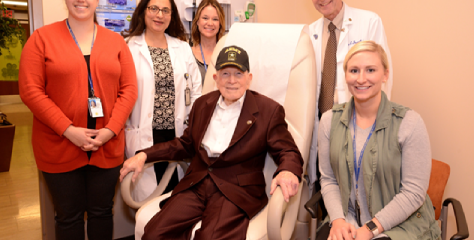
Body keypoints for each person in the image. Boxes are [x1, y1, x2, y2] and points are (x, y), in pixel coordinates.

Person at [120, 45, 304, 240]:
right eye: (225, 73)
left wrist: (288, 170)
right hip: (197, 183)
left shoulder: (268, 110)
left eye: (238, 74)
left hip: (236, 190)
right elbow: (185, 144)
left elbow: (288, 151)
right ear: (216, 78)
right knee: (154, 234)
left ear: (249, 79)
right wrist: (145, 154)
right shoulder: (202, 105)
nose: (232, 81)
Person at [18, 0, 138, 239]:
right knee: (68, 217)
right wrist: (68, 130)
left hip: (107, 146)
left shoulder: (116, 42)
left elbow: (129, 89)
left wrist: (110, 130)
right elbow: (31, 90)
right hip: (58, 145)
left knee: (102, 212)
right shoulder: (41, 38)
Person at [316, 41, 440, 240]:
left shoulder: (409, 123)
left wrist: (369, 229)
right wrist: (338, 220)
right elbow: (329, 179)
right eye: (354, 70)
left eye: (371, 70)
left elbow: (413, 193)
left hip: (399, 225)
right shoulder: (329, 121)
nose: (361, 79)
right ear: (345, 76)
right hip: (346, 221)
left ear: (385, 75)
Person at [308, 0, 393, 215]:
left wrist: (379, 124)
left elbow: (383, 73)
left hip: (362, 123)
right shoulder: (310, 32)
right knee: (329, 191)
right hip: (324, 125)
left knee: (364, 196)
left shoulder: (369, 21)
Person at [123, 0, 202, 201]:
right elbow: (121, 94)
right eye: (154, 9)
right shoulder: (128, 46)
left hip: (176, 135)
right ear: (143, 12)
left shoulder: (183, 48)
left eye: (165, 10)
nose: (159, 15)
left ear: (171, 16)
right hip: (145, 133)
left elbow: (196, 93)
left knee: (176, 196)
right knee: (147, 201)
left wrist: (192, 128)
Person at [190, 0, 226, 84]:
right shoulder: (188, 54)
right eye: (205, 18)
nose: (210, 23)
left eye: (215, 19)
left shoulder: (226, 54)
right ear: (197, 21)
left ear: (220, 24)